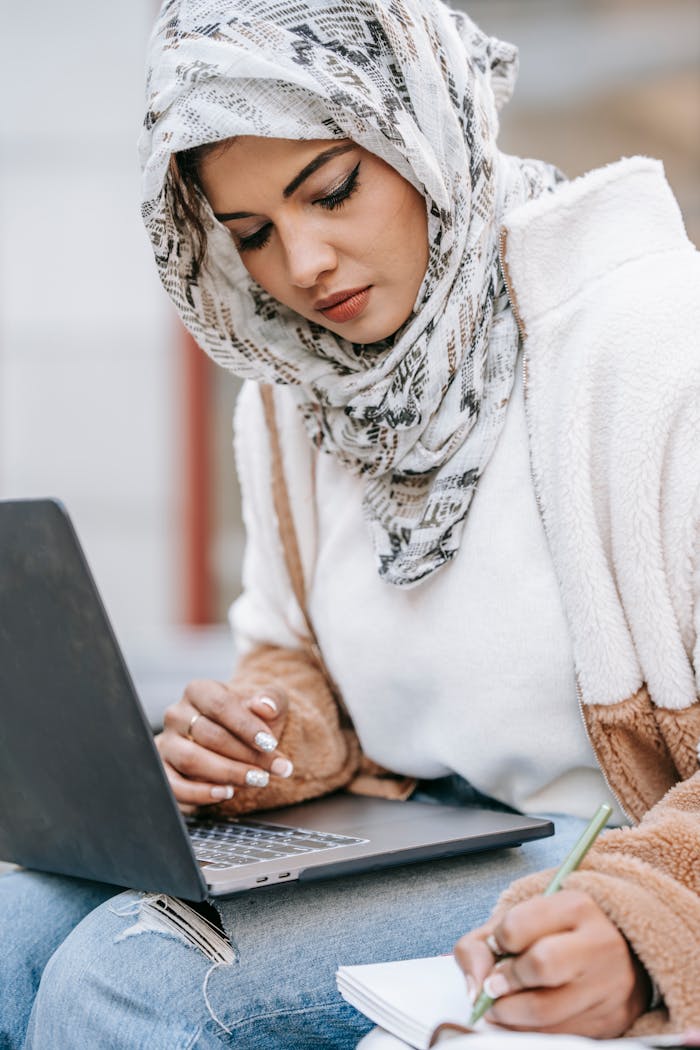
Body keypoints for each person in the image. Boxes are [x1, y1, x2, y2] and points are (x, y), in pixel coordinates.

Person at [2, 0, 698, 1047]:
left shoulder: (646, 344)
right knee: (9, 924)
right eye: (251, 235)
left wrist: (649, 918)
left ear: (420, 127)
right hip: (404, 831)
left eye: (330, 190)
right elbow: (293, 659)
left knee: (129, 982)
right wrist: (259, 739)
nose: (303, 265)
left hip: (610, 846)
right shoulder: (294, 391)